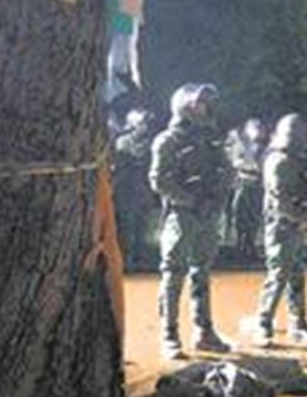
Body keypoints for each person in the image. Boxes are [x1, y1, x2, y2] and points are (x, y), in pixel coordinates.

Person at [149, 83, 234, 359]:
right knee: (174, 273)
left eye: (206, 104)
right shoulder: (168, 140)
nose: (204, 108)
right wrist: (190, 200)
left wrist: (216, 199)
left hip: (208, 215)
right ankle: (169, 333)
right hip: (181, 215)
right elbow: (159, 179)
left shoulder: (212, 139)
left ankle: (204, 331)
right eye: (199, 104)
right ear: (185, 107)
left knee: (202, 272)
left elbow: (226, 171)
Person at [254, 114, 307, 347]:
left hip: (294, 224)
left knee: (296, 274)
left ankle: (298, 323)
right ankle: (263, 323)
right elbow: (279, 200)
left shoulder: (297, 160)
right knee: (278, 274)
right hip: (281, 225)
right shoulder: (279, 161)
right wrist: (302, 217)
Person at [113, 108, 157, 271]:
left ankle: (140, 258)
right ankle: (127, 260)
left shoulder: (153, 142)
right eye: (142, 123)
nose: (146, 126)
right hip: (126, 190)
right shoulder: (123, 142)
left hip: (144, 190)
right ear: (132, 125)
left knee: (142, 226)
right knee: (127, 226)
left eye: (148, 123)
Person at [231, 117, 269, 260]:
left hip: (258, 185)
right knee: (240, 215)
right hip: (243, 184)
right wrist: (250, 167)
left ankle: (250, 244)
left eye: (260, 128)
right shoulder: (240, 146)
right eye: (255, 128)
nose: (258, 132)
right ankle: (239, 244)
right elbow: (234, 161)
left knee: (255, 216)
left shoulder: (265, 148)